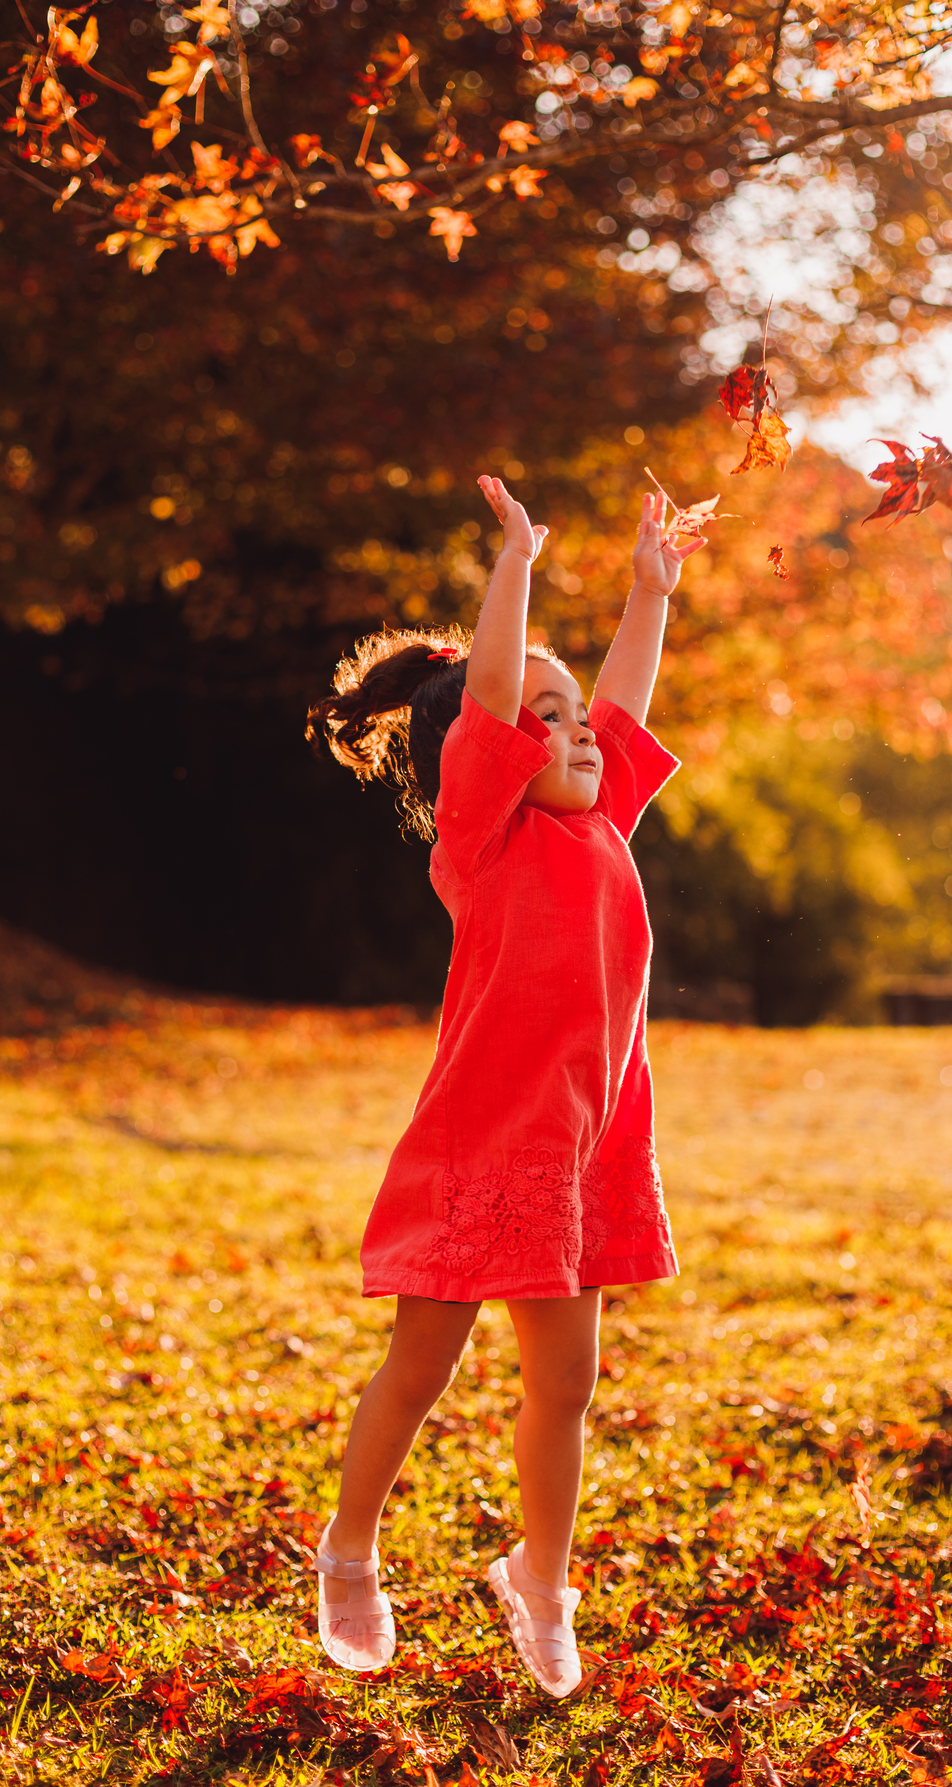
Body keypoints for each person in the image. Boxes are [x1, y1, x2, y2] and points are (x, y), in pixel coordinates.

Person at [303, 474, 706, 1697]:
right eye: (549, 717)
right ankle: (349, 1550)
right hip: (484, 1144)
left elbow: (623, 697)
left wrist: (647, 588)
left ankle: (540, 1577)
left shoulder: (602, 825)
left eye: (575, 716)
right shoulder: (481, 833)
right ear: (489, 754)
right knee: (421, 1368)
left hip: (586, 1147)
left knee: (567, 1385)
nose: (577, 729)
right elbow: (488, 696)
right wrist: (516, 564)